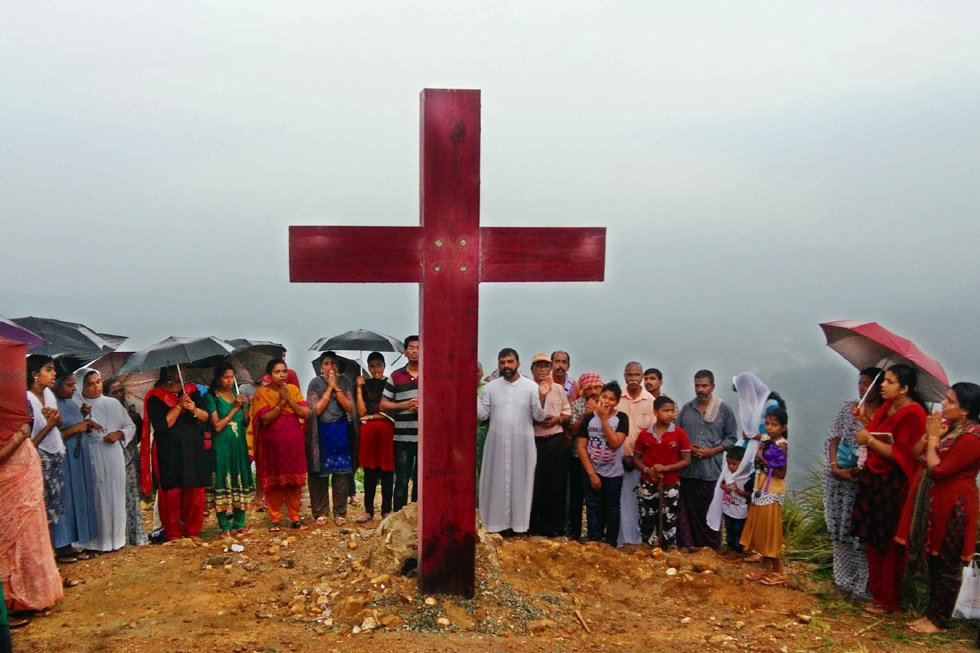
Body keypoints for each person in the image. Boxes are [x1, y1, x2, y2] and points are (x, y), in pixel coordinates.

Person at [899, 383, 980, 633]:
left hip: (955, 504)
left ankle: (939, 620)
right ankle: (931, 615)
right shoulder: (953, 431)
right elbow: (918, 455)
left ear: (965, 411)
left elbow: (939, 470)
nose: (944, 404)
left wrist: (934, 438)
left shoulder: (971, 437)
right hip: (937, 501)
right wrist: (929, 435)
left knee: (947, 562)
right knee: (935, 560)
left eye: (951, 401)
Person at [851, 364, 927, 614]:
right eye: (884, 380)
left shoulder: (913, 413)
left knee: (889, 539)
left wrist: (869, 439)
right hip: (874, 478)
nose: (883, 385)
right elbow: (880, 431)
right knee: (874, 537)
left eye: (890, 382)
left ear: (905, 388)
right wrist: (865, 420)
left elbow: (900, 453)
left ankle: (889, 599)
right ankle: (878, 594)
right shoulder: (888, 405)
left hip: (893, 483)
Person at [822, 368, 882, 600]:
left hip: (862, 482)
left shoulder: (882, 416)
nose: (862, 387)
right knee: (839, 530)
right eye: (860, 382)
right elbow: (833, 438)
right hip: (838, 479)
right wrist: (836, 466)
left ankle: (861, 585)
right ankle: (842, 581)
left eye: (867, 383)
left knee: (859, 532)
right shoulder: (849, 409)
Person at [477, 348, 548, 534]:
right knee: (496, 482)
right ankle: (496, 525)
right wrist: (473, 393)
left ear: (518, 363)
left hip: (522, 444)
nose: (506, 366)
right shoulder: (491, 387)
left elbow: (539, 417)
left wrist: (542, 396)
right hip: (496, 444)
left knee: (522, 483)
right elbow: (482, 415)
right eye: (502, 362)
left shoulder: (531, 387)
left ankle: (520, 527)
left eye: (510, 362)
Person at [0, 414, 63, 619]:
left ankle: (29, 593)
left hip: (22, 474)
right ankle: (17, 596)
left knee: (28, 534)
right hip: (12, 474)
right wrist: (20, 435)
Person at [145, 367, 212, 543]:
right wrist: (178, 406)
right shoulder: (154, 397)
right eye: (178, 368)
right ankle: (173, 533)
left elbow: (205, 417)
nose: (182, 371)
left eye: (184, 367)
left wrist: (193, 408)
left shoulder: (193, 391)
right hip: (169, 449)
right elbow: (163, 425)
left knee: (195, 488)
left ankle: (192, 531)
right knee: (172, 490)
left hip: (193, 447)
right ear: (168, 370)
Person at [74, 368, 135, 553]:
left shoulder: (113, 404)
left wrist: (119, 434)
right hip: (92, 453)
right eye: (90, 384)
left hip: (113, 454)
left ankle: (116, 539)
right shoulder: (77, 405)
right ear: (81, 386)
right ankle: (97, 542)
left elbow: (129, 425)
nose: (95, 387)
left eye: (98, 382)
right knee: (97, 495)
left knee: (116, 493)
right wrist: (83, 418)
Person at [676, 369, 737, 550]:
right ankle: (687, 546)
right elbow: (678, 435)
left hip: (711, 471)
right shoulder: (687, 409)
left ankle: (710, 549)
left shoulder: (723, 409)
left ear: (712, 386)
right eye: (697, 386)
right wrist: (689, 448)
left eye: (704, 386)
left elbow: (731, 438)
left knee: (710, 511)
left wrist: (712, 451)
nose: (700, 389)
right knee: (687, 512)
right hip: (689, 471)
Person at [253, 360, 310, 531]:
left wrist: (289, 401)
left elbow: (306, 412)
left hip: (293, 444)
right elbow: (265, 418)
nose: (282, 375)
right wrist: (281, 403)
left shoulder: (292, 390)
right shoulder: (262, 392)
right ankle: (275, 518)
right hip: (272, 447)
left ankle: (294, 517)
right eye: (277, 372)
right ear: (269, 375)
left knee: (294, 482)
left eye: (284, 371)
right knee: (274, 483)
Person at [50, 371, 99, 560]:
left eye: (74, 384)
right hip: (64, 460)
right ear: (57, 386)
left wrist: (83, 417)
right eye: (69, 385)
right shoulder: (50, 405)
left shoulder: (70, 403)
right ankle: (61, 545)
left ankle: (71, 542)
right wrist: (75, 429)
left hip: (77, 460)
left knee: (77, 497)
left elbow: (75, 422)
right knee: (65, 500)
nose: (73, 389)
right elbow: (51, 436)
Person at [202, 363, 255, 537]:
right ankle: (224, 525)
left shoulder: (237, 394)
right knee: (222, 479)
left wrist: (245, 407)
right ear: (218, 379)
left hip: (239, 443)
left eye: (232, 377)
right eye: (226, 377)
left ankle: (239, 522)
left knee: (240, 477)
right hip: (222, 445)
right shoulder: (211, 397)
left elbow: (246, 422)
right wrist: (234, 408)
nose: (230, 381)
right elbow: (216, 426)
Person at [632, 395, 690, 548]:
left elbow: (686, 460)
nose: (670, 414)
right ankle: (646, 549)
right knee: (647, 517)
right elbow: (636, 458)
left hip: (670, 483)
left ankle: (668, 551)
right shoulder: (645, 434)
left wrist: (667, 468)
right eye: (665, 411)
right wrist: (647, 470)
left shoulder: (679, 433)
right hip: (648, 482)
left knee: (669, 518)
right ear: (656, 412)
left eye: (672, 411)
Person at [577, 382, 629, 547]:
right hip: (592, 470)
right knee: (593, 506)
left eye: (611, 399)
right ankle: (594, 541)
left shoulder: (621, 418)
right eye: (604, 397)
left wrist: (604, 418)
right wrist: (592, 474)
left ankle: (611, 543)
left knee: (612, 507)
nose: (606, 401)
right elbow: (581, 447)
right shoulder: (588, 418)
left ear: (617, 402)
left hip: (613, 472)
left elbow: (615, 443)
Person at [306, 352, 354, 526]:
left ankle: (340, 512)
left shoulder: (345, 381)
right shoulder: (315, 383)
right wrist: (329, 388)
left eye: (333, 363)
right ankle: (321, 511)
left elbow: (350, 407)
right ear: (320, 367)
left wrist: (337, 388)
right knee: (320, 473)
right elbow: (315, 410)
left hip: (340, 431)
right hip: (320, 432)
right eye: (326, 363)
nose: (330, 367)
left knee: (341, 473)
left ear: (337, 366)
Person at [741, 408, 789, 584]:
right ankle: (766, 568)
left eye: (774, 424)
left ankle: (778, 569)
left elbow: (781, 473)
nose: (769, 428)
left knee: (768, 530)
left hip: (772, 491)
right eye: (767, 423)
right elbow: (759, 437)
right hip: (760, 488)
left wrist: (763, 458)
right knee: (760, 528)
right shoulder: (767, 439)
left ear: (783, 427)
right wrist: (748, 435)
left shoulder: (781, 445)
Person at [26, 356, 67, 551]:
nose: (54, 373)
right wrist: (50, 425)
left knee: (52, 513)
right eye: (48, 370)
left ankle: (51, 559)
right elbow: (28, 443)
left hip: (55, 454)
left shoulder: (49, 394)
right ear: (35, 374)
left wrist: (56, 421)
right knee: (42, 512)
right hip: (39, 459)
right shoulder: (27, 400)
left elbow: (56, 426)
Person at [529, 353, 571, 537]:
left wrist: (557, 419)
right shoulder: (527, 389)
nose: (542, 369)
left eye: (546, 366)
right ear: (532, 369)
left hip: (555, 440)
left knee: (555, 485)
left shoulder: (558, 389)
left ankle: (553, 528)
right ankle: (532, 526)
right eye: (538, 366)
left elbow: (567, 414)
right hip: (534, 440)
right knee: (534, 484)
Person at [103, 378, 147, 546]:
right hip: (112, 459)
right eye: (115, 392)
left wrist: (137, 421)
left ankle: (135, 535)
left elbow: (135, 436)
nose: (119, 395)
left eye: (121, 391)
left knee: (132, 497)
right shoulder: (104, 410)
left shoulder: (129, 409)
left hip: (129, 457)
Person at [616, 361, 655, 546]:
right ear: (624, 376)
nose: (633, 379)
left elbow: (654, 433)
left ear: (641, 377)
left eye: (636, 375)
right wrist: (623, 454)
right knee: (622, 503)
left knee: (642, 502)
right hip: (618, 460)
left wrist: (639, 458)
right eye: (629, 375)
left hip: (642, 462)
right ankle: (622, 541)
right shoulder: (617, 399)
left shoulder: (650, 402)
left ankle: (642, 541)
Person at [381, 335, 420, 512]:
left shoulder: (432, 375)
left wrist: (424, 405)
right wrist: (404, 405)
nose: (415, 351)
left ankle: (419, 517)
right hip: (402, 437)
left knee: (422, 481)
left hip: (425, 438)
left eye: (419, 347)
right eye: (411, 347)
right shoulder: (395, 376)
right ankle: (398, 517)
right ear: (405, 352)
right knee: (402, 481)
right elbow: (383, 405)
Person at [356, 352, 395, 522]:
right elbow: (361, 412)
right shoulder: (365, 384)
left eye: (378, 365)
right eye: (372, 366)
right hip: (369, 434)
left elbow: (389, 411)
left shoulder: (390, 384)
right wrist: (358, 388)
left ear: (384, 366)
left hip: (387, 431)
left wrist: (372, 417)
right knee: (370, 472)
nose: (375, 369)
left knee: (387, 471)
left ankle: (386, 510)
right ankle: (368, 510)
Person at [566, 372, 602, 540]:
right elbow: (572, 431)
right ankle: (575, 533)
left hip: (600, 459)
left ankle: (597, 535)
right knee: (576, 497)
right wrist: (586, 415)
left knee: (598, 499)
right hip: (577, 458)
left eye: (597, 387)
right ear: (582, 390)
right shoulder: (576, 405)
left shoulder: (606, 404)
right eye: (589, 388)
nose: (594, 392)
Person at [718, 446, 753, 560]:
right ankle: (730, 546)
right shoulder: (727, 473)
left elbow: (750, 494)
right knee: (729, 527)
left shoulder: (747, 478)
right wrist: (725, 487)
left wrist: (738, 491)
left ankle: (738, 550)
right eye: (728, 463)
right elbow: (721, 484)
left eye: (734, 464)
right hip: (728, 507)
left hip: (740, 511)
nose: (730, 466)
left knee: (739, 530)